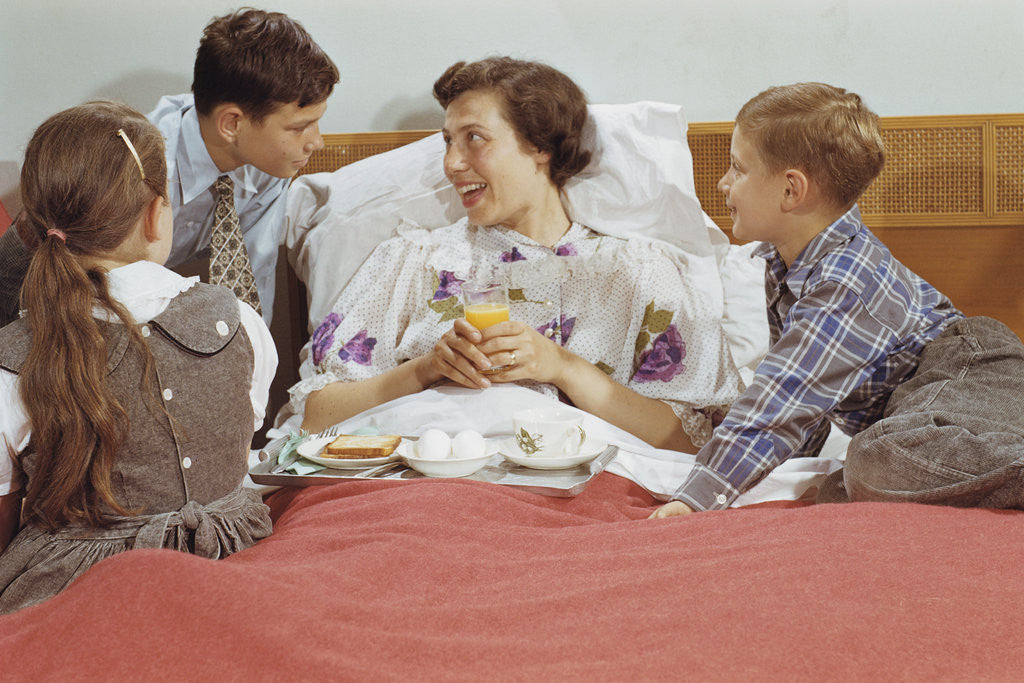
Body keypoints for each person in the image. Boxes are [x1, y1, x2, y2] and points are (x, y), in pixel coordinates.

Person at [289, 57, 742, 451]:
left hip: (587, 502)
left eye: (475, 138)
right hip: (428, 495)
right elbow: (314, 415)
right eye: (448, 140)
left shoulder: (637, 272)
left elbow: (693, 444)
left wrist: (563, 367)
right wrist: (426, 370)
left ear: (540, 146)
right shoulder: (413, 260)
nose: (451, 163)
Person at [651, 82, 1024, 518]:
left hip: (970, 373)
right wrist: (785, 473)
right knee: (844, 483)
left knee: (872, 462)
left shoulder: (843, 283)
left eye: (737, 168)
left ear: (791, 190)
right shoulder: (783, 266)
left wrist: (692, 500)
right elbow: (804, 397)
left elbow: (777, 405)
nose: (723, 183)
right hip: (919, 409)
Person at [0, 101, 277, 614]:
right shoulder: (240, 322)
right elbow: (237, 455)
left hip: (85, 600)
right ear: (156, 213)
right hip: (238, 570)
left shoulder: (13, 364)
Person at [0, 8, 339, 327]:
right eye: (299, 127)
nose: (316, 143)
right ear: (232, 124)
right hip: (36, 270)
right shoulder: (134, 164)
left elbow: (250, 285)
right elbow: (96, 283)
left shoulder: (270, 162)